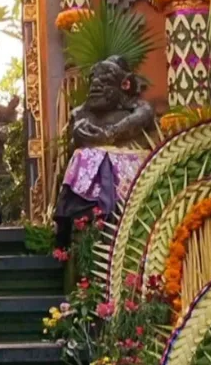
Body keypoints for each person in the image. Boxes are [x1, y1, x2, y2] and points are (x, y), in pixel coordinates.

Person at [55, 55, 155, 246]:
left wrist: (110, 133)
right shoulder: (81, 115)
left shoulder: (138, 110)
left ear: (123, 86)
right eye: (94, 81)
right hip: (88, 195)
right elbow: (74, 142)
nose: (96, 86)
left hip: (131, 191)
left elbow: (144, 114)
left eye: (106, 82)